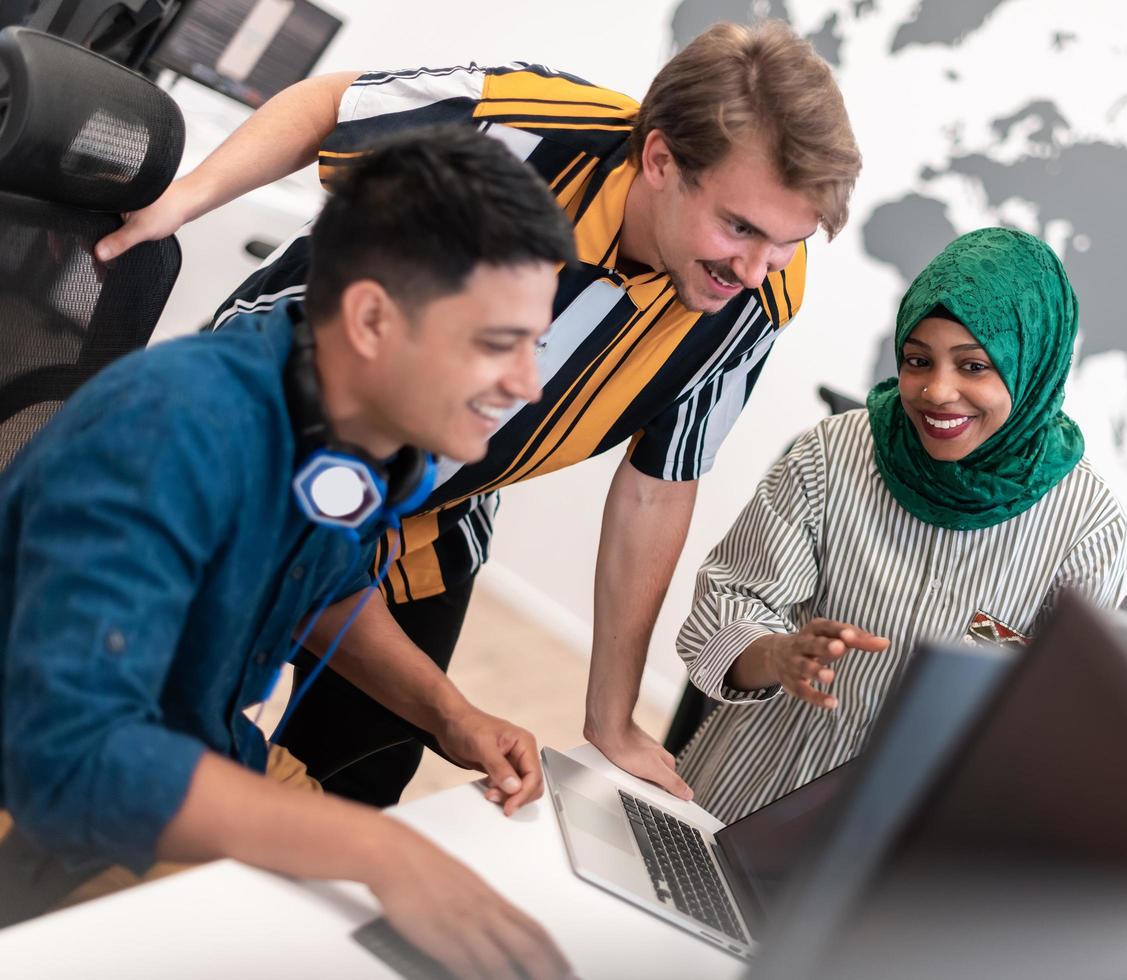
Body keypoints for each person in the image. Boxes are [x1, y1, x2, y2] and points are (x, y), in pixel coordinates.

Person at [94, 20, 862, 808]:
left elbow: (656, 486)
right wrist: (179, 202)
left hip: (438, 502)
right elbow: (335, 106)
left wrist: (612, 718)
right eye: (739, 228)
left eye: (787, 242)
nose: (757, 266)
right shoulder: (525, 127)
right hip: (284, 435)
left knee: (358, 777)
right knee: (165, 710)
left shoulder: (759, 291)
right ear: (660, 159)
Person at [0, 128, 576, 980]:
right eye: (498, 344)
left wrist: (452, 714)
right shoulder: (170, 432)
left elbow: (323, 588)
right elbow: (74, 755)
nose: (529, 384)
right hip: (50, 801)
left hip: (203, 743)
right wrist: (377, 849)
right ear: (374, 318)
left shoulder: (342, 427)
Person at [673, 228, 1127, 822]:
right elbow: (727, 606)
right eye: (918, 361)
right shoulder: (832, 454)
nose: (938, 391)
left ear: (1032, 367)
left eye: (974, 366)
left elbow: (1058, 735)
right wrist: (778, 654)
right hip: (744, 795)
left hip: (903, 855)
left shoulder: (1087, 528)